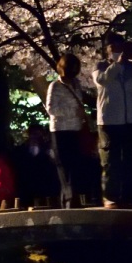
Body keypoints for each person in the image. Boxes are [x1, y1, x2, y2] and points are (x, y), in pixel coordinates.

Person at [94, 33, 132, 207]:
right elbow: (103, 80)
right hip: (110, 120)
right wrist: (117, 64)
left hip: (131, 119)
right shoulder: (100, 66)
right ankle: (110, 196)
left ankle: (130, 196)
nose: (118, 50)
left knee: (131, 159)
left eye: (120, 46)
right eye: (114, 46)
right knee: (111, 161)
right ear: (106, 49)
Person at [46, 53, 90, 206]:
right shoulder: (55, 86)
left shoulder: (77, 84)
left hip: (76, 129)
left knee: (75, 165)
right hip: (60, 130)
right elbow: (51, 109)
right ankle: (69, 199)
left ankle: (72, 197)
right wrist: (73, 112)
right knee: (63, 166)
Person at [13, 125, 61, 207]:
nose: (35, 137)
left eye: (38, 134)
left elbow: (53, 167)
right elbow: (19, 167)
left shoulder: (47, 149)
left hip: (45, 186)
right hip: (28, 186)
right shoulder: (22, 150)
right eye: (33, 134)